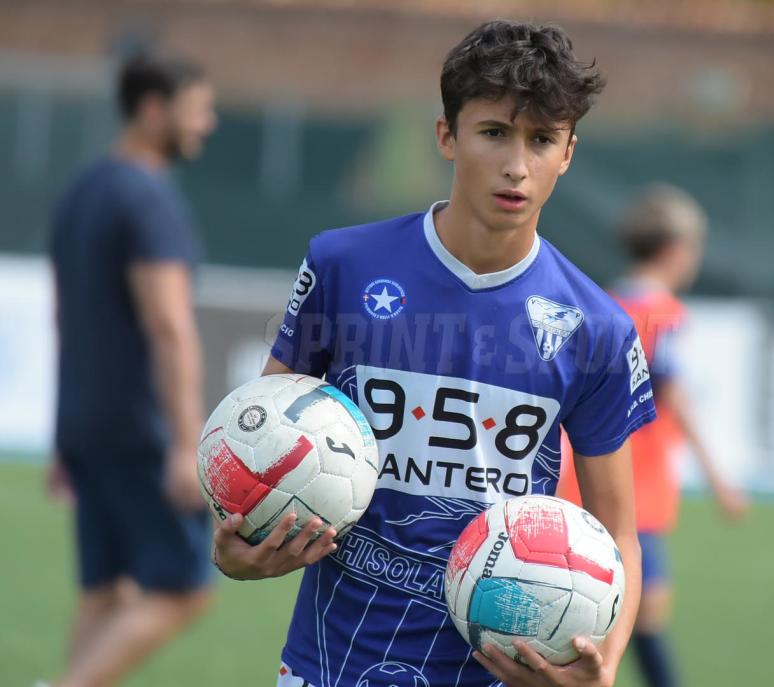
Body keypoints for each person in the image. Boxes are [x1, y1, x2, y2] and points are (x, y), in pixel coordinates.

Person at [212, 20, 657, 687]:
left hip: (498, 668)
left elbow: (618, 533)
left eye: (542, 140)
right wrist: (235, 546)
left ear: (568, 152)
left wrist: (606, 666)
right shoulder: (343, 265)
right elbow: (259, 442)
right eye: (494, 132)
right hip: (330, 661)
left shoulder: (598, 327)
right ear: (447, 135)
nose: (517, 165)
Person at [47, 53, 218, 687]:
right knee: (184, 589)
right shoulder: (147, 198)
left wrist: (65, 433)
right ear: (152, 109)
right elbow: (168, 325)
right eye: (197, 109)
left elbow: (63, 317)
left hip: (86, 424)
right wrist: (185, 444)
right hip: (139, 428)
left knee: (107, 588)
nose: (207, 123)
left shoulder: (82, 190)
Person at [559, 183, 749, 687]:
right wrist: (720, 480)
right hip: (633, 487)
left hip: (580, 480)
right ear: (677, 250)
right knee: (643, 613)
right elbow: (675, 395)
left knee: (598, 613)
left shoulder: (604, 303)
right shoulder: (663, 314)